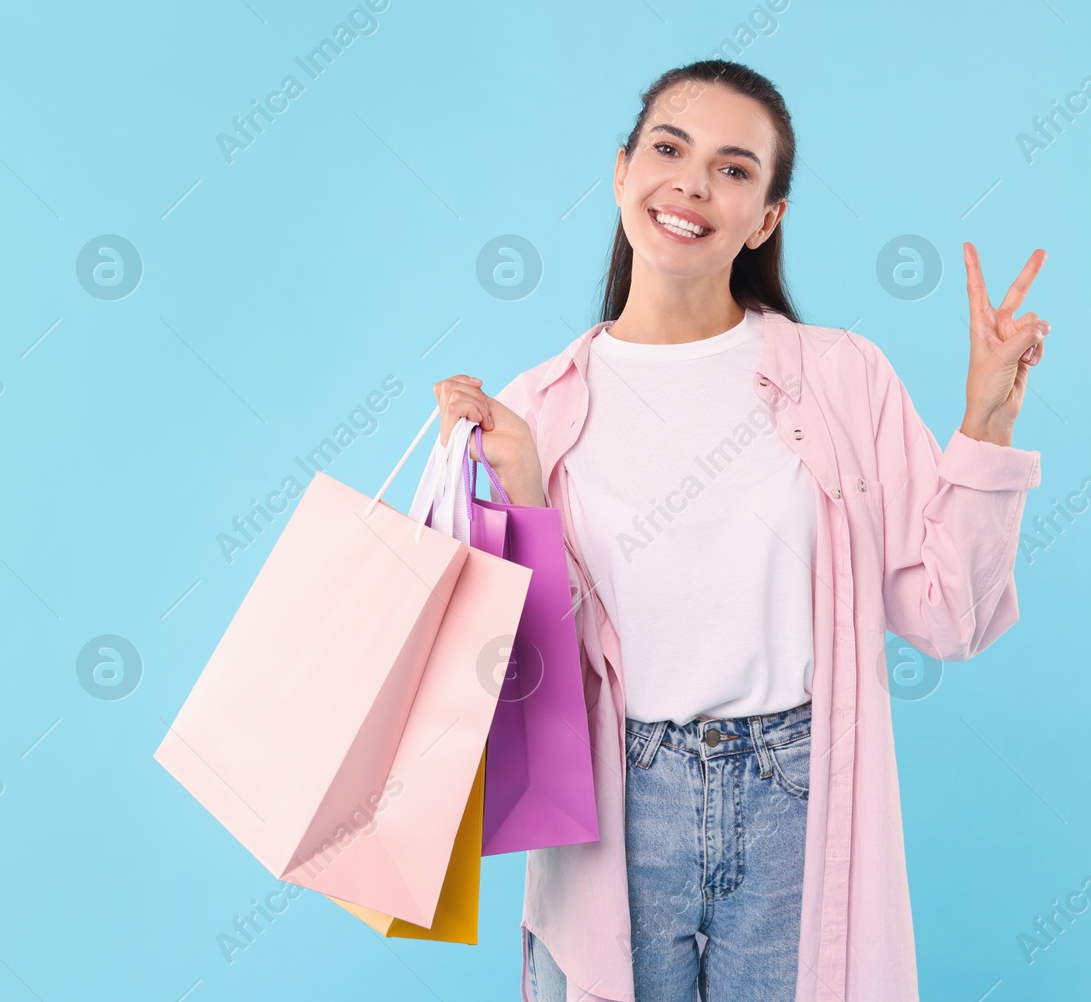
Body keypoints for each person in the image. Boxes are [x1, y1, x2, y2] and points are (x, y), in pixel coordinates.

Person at [417, 59, 1049, 1002]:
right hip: (618, 808)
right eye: (669, 149)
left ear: (767, 218)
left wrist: (986, 425)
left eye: (735, 168)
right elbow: (518, 687)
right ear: (623, 170)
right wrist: (521, 490)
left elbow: (950, 615)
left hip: (798, 796)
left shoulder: (842, 378)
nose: (693, 183)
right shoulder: (534, 411)